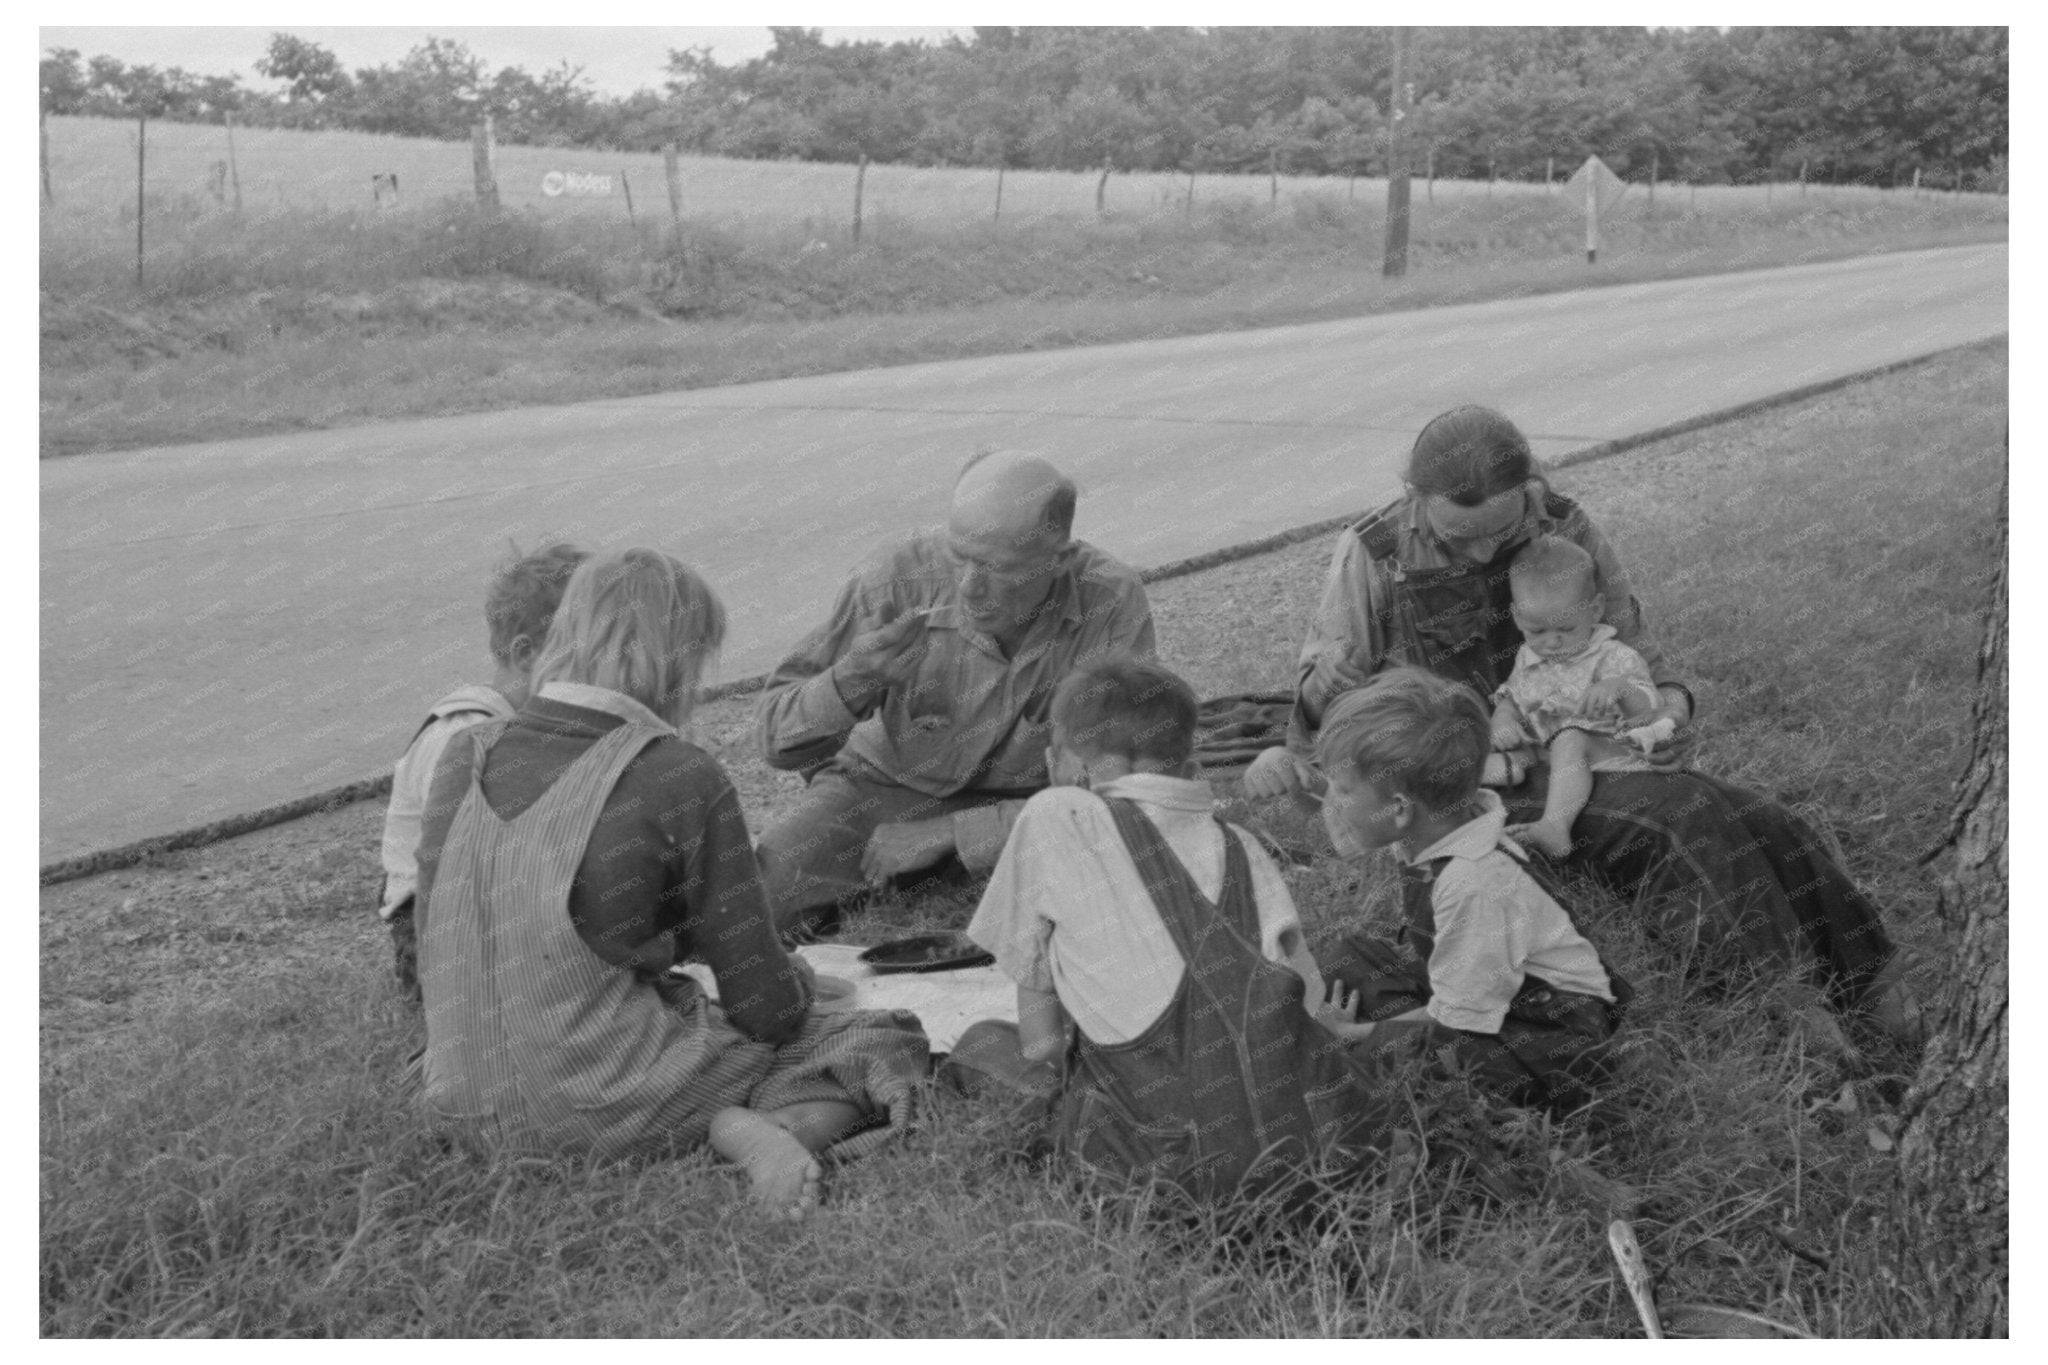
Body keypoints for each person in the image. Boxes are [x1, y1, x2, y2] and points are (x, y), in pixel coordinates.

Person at [1242, 405, 1917, 1040]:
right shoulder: (1373, 552)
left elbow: (1638, 649)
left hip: (1588, 748)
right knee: (1679, 817)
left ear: (1531, 487)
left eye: (1500, 535)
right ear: (1414, 497)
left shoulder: (1567, 525)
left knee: (1762, 815)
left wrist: (1673, 711)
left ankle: (1869, 976)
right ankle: (1785, 1011)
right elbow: (1320, 719)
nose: (1481, 557)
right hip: (1466, 775)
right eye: (1458, 539)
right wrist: (1322, 693)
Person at [414, 548, 929, 1220]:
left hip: (458, 1096)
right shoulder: (677, 774)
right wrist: (802, 982)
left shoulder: (466, 752)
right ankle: (759, 1128)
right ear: (680, 661)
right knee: (880, 1037)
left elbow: (440, 944)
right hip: (599, 1105)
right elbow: (765, 1006)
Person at [955, 655, 1391, 1202]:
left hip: (1164, 1171)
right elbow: (1311, 1006)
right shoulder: (1242, 846)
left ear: (1069, 764)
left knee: (983, 1044)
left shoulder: (1056, 814)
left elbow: (1043, 1043)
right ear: (1188, 763)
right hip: (1314, 1155)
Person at [754, 450, 1155, 937]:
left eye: (996, 567)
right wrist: (853, 679)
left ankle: (951, 868)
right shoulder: (897, 578)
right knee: (769, 889)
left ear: (1060, 560)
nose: (969, 587)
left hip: (1030, 808)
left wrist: (953, 834)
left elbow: (1119, 786)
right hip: (882, 789)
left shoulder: (1109, 601)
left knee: (1114, 871)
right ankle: (935, 873)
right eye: (958, 556)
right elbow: (775, 739)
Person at [1312, 668, 1630, 1116]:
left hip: (1553, 1033)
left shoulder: (1475, 884)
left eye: (1342, 790)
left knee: (1384, 1068)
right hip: (1496, 992)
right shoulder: (1443, 822)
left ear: (1400, 808)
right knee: (1349, 956)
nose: (1334, 801)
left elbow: (1453, 1022)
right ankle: (1379, 1036)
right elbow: (1351, 834)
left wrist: (1355, 1036)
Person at [377, 542, 586, 1001]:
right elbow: (465, 874)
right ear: (527, 653)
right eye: (588, 655)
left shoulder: (550, 728)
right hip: (440, 939)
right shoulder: (463, 734)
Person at [1491, 535, 1675, 859]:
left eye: (1566, 629)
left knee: (1570, 739)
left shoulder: (1610, 656)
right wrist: (1503, 720)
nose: (1551, 643)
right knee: (1499, 757)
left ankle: (1555, 828)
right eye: (1537, 631)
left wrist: (1618, 687)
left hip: (1609, 753)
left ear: (1595, 610)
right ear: (1517, 617)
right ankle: (1468, 793)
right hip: (1546, 759)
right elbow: (1512, 697)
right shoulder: (1527, 657)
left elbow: (1649, 712)